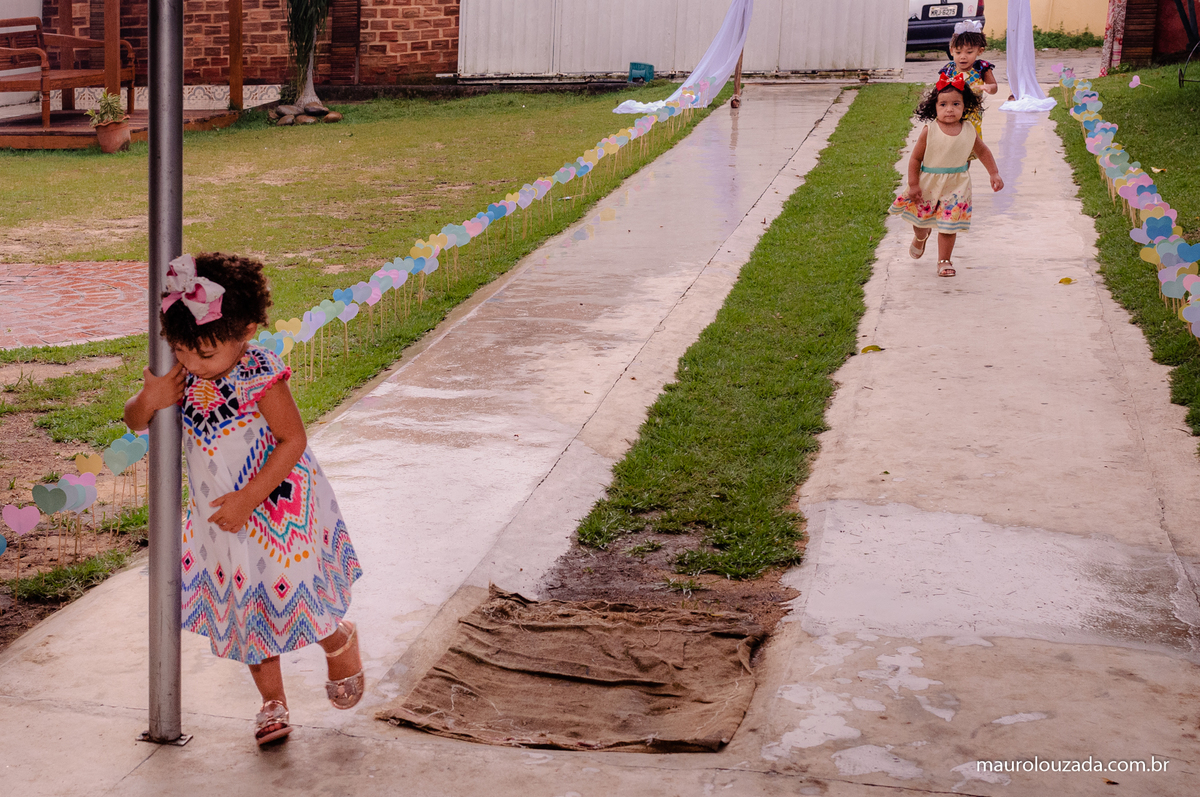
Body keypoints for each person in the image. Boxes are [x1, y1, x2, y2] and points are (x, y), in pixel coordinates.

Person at [124, 252, 365, 746]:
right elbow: (134, 420)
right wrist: (150, 399)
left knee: (293, 594)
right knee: (247, 607)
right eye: (181, 349)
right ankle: (271, 703)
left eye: (205, 354)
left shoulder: (258, 371)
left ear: (247, 331)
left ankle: (337, 637)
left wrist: (249, 499)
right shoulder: (182, 366)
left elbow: (292, 440)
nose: (192, 362)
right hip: (220, 514)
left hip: (276, 508)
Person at [889, 76, 1004, 277]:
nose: (949, 109)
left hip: (957, 185)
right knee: (920, 222)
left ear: (965, 106)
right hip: (928, 184)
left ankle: (944, 260)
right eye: (943, 104)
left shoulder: (969, 130)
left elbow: (983, 152)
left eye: (955, 104)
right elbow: (915, 159)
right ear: (934, 107)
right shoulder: (930, 130)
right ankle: (921, 236)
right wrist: (913, 184)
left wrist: (994, 173)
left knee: (949, 225)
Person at [939, 20, 998, 138]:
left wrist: (988, 87)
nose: (963, 56)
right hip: (953, 113)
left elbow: (994, 87)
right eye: (958, 52)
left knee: (971, 141)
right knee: (952, 140)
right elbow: (940, 90)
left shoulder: (981, 68)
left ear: (980, 51)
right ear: (951, 51)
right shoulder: (948, 70)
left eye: (969, 52)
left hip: (973, 115)